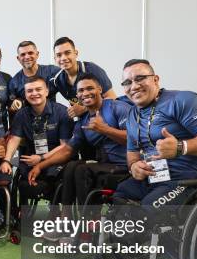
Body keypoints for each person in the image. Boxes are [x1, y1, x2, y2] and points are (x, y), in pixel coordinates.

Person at [113, 59, 197, 209]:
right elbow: (132, 153)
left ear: (155, 79)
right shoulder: (131, 115)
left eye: (140, 78)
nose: (134, 86)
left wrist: (181, 147)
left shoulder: (182, 100)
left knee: (148, 209)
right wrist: (134, 167)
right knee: (116, 198)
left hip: (190, 179)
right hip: (154, 177)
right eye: (127, 82)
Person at [41, 73, 131, 207]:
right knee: (71, 165)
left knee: (82, 170)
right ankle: (66, 217)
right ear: (77, 96)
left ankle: (89, 222)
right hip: (106, 164)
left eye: (90, 88)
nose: (85, 93)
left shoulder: (118, 107)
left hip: (127, 165)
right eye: (81, 90)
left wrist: (104, 129)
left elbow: (134, 138)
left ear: (100, 89)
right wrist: (40, 165)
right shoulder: (83, 122)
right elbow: (67, 151)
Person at [0, 76, 73, 208]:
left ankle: (55, 213)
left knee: (58, 181)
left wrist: (41, 158)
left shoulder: (62, 112)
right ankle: (21, 218)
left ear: (46, 91)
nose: (34, 94)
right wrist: (6, 160)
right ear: (25, 94)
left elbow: (64, 146)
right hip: (30, 158)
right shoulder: (21, 114)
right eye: (30, 91)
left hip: (56, 159)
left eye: (38, 89)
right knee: (22, 181)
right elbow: (14, 139)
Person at [50, 36, 116, 119]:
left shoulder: (92, 70)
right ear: (55, 58)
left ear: (76, 53)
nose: (63, 58)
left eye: (67, 53)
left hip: (105, 117)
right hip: (83, 122)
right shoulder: (57, 80)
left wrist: (85, 108)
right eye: (59, 55)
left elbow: (112, 98)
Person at [8, 40, 61, 115]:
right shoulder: (14, 82)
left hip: (53, 120)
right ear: (18, 58)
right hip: (27, 123)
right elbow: (10, 110)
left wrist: (79, 104)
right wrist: (16, 105)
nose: (27, 57)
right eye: (23, 54)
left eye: (30, 53)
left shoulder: (52, 72)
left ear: (37, 54)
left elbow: (70, 86)